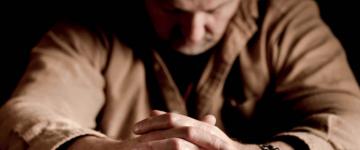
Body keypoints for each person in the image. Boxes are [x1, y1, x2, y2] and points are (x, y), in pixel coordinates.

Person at [0, 0, 359, 149]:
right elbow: (23, 115)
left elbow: (351, 123)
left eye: (213, 10)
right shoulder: (93, 20)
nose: (192, 31)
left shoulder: (287, 16)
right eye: (173, 10)